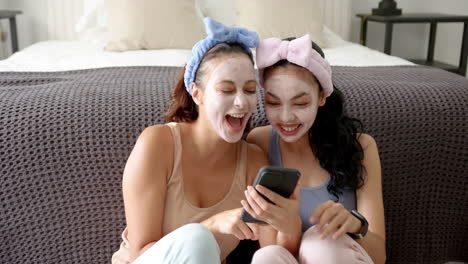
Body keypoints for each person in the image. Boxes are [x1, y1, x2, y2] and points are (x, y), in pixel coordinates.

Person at [111, 17, 268, 264]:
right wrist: (213, 225)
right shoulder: (158, 143)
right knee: (197, 238)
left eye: (249, 90)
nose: (241, 102)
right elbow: (140, 253)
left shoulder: (254, 162)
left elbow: (270, 248)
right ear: (197, 93)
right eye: (227, 90)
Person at [242, 35, 386, 264]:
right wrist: (292, 226)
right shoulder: (259, 142)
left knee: (322, 243)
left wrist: (355, 224)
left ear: (322, 97)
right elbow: (273, 249)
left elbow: (378, 255)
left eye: (300, 103)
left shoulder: (362, 146)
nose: (286, 117)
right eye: (273, 102)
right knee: (265, 256)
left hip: (340, 257)